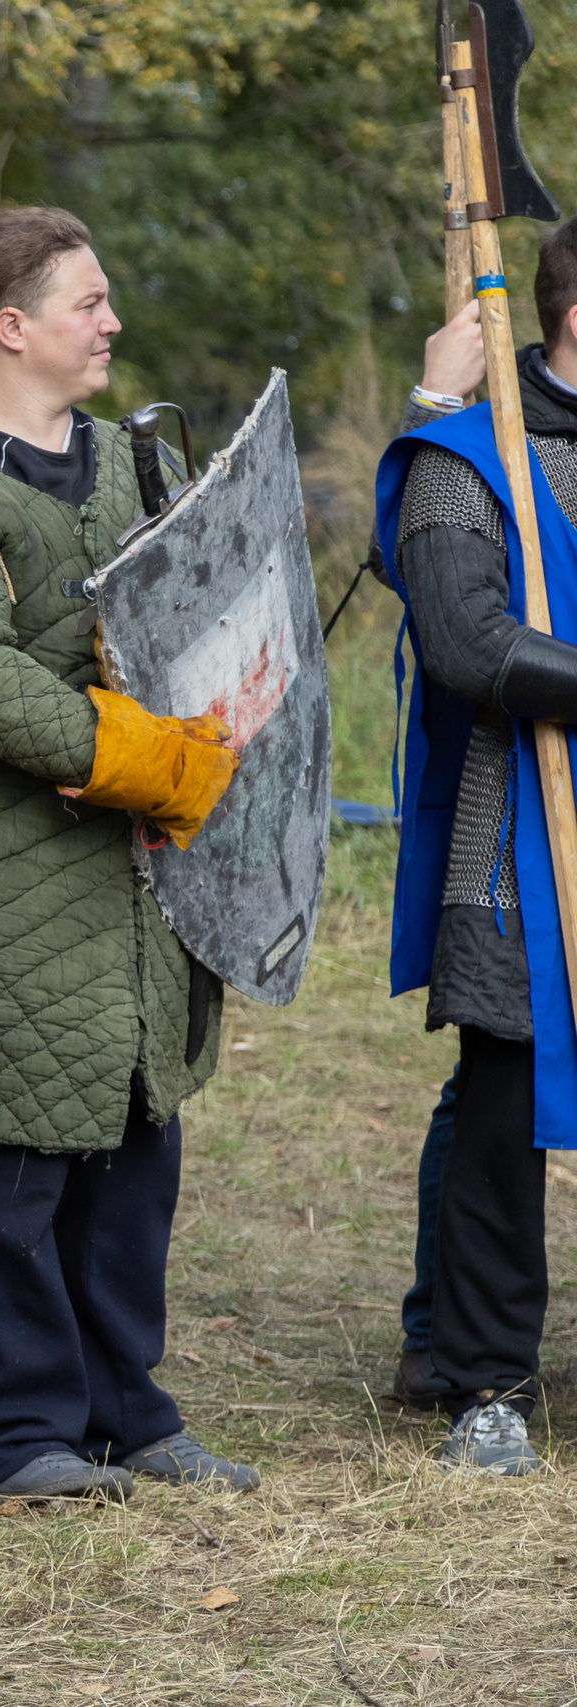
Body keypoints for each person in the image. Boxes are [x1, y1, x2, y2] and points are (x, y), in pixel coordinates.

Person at [0, 206, 253, 1509]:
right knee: (14, 1164)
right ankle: (19, 1429)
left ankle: (127, 1407)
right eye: (89, 301)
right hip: (4, 883)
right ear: (10, 326)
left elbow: (187, 616)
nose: (113, 322)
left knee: (137, 1149)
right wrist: (143, 753)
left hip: (134, 886)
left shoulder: (133, 471)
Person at [373, 221, 577, 1474]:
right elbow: (464, 645)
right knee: (503, 1109)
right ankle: (482, 1378)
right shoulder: (470, 461)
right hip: (516, 836)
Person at [375, 302, 488, 1416]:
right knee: (497, 1072)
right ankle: (441, 1332)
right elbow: (413, 572)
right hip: (509, 785)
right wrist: (435, 401)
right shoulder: (473, 450)